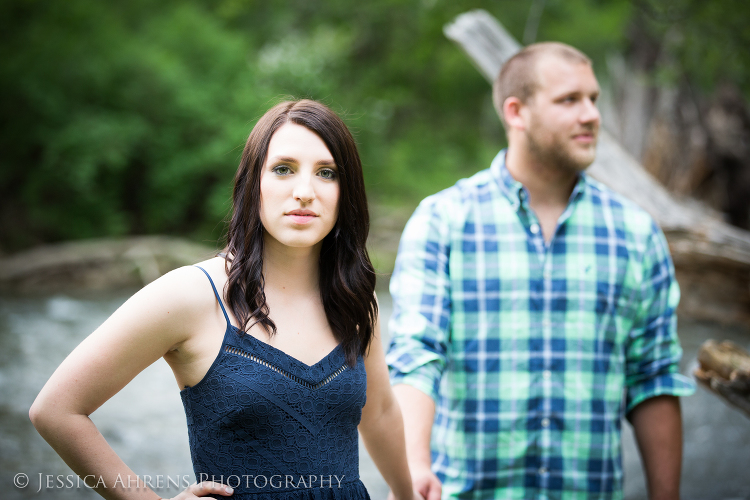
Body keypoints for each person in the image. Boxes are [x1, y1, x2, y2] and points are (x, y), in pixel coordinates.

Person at [30, 99, 420, 500]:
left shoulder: (355, 298)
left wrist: (406, 494)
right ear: (254, 182)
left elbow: (380, 413)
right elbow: (57, 410)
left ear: (346, 192)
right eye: (283, 169)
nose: (304, 192)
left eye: (327, 173)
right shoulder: (191, 294)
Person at [386, 42, 696, 500]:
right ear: (517, 112)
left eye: (593, 99)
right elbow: (415, 356)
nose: (591, 114)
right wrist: (413, 467)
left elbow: (654, 378)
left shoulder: (635, 232)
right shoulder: (443, 221)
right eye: (569, 100)